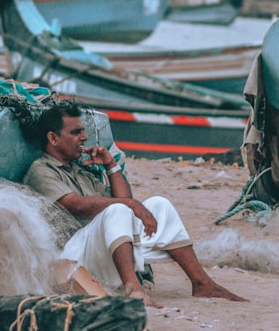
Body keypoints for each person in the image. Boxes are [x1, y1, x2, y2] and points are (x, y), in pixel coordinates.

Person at [23, 101, 247, 307]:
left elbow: (120, 198)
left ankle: (202, 284)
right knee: (119, 208)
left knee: (160, 205)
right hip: (71, 257)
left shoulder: (80, 170)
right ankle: (132, 287)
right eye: (75, 132)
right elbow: (75, 204)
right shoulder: (41, 170)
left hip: (103, 248)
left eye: (83, 130)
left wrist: (111, 166)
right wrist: (130, 204)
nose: (84, 137)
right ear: (53, 138)